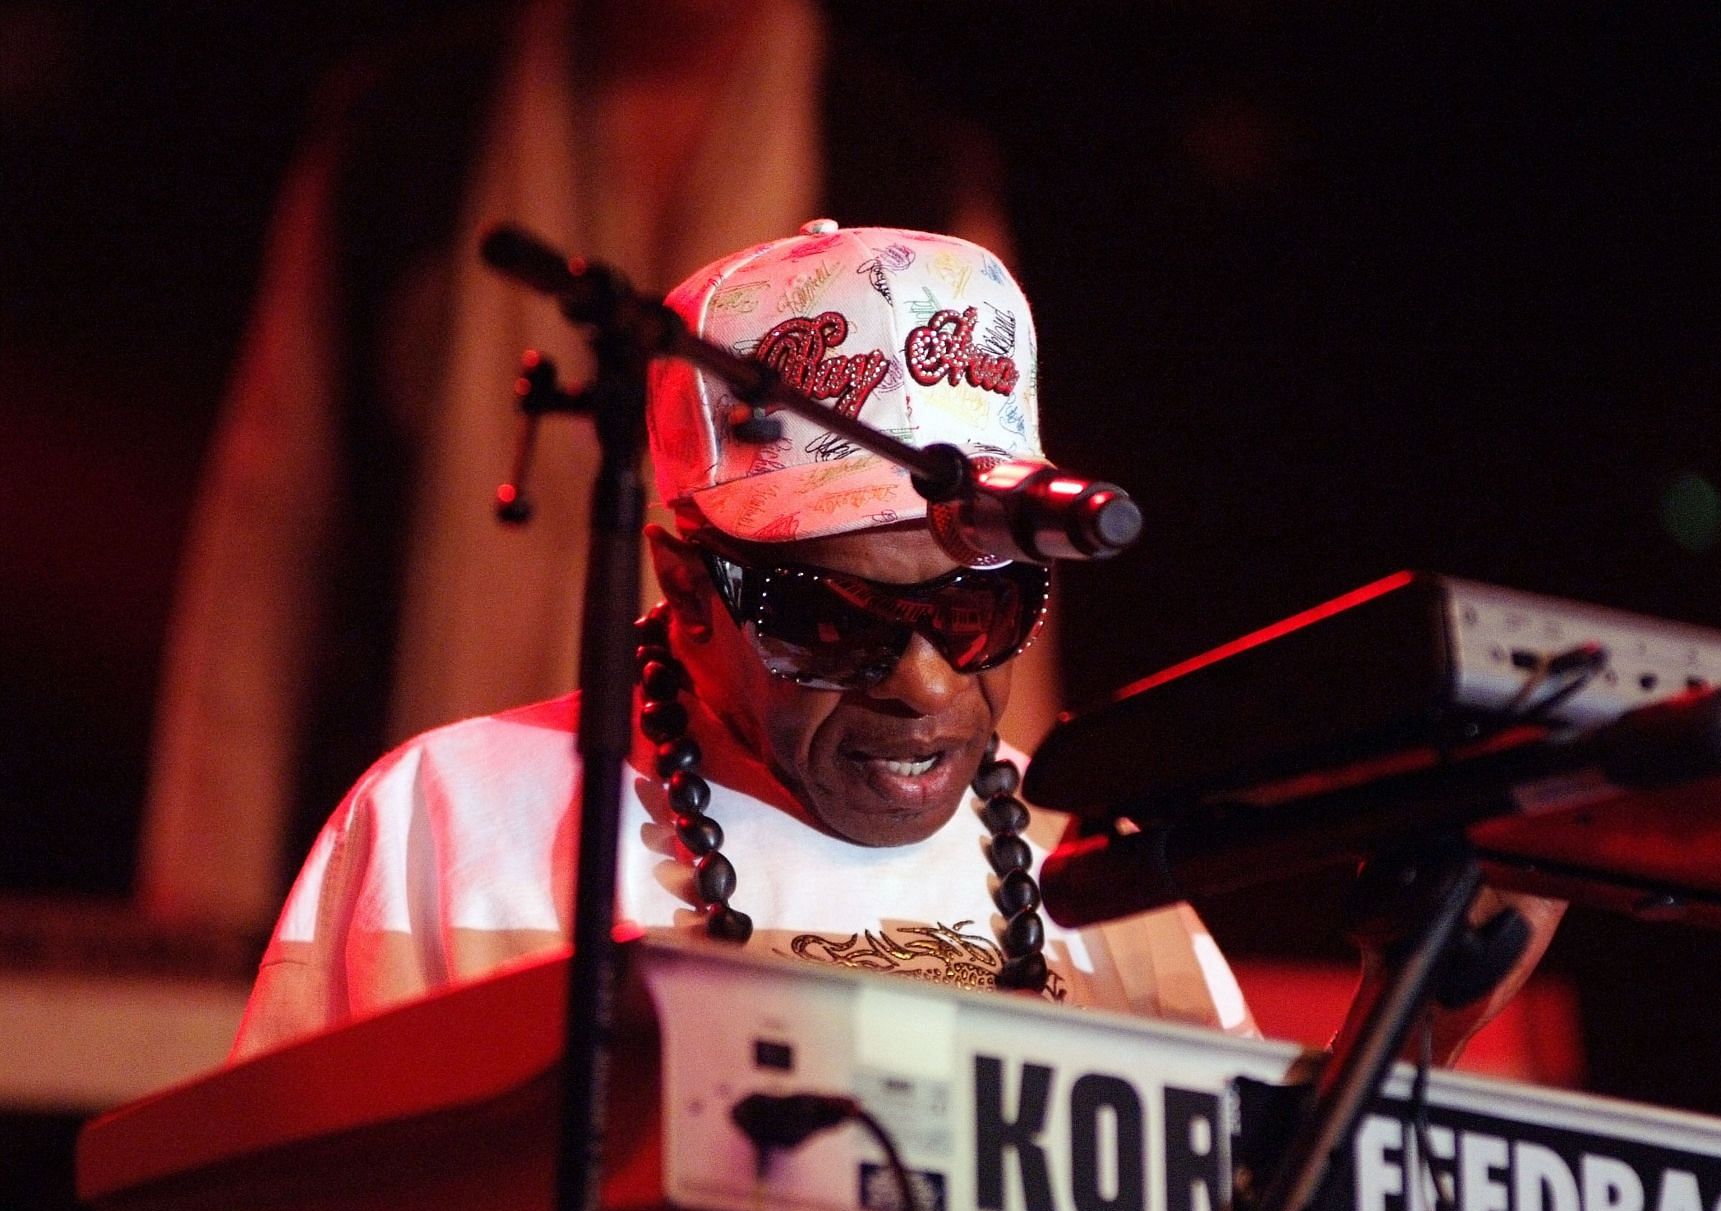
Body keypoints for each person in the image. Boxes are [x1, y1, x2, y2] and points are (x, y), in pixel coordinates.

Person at [232, 223, 1257, 1058]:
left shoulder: (1099, 880)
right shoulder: (448, 825)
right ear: (685, 587)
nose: (927, 684)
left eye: (977, 611)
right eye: (831, 623)